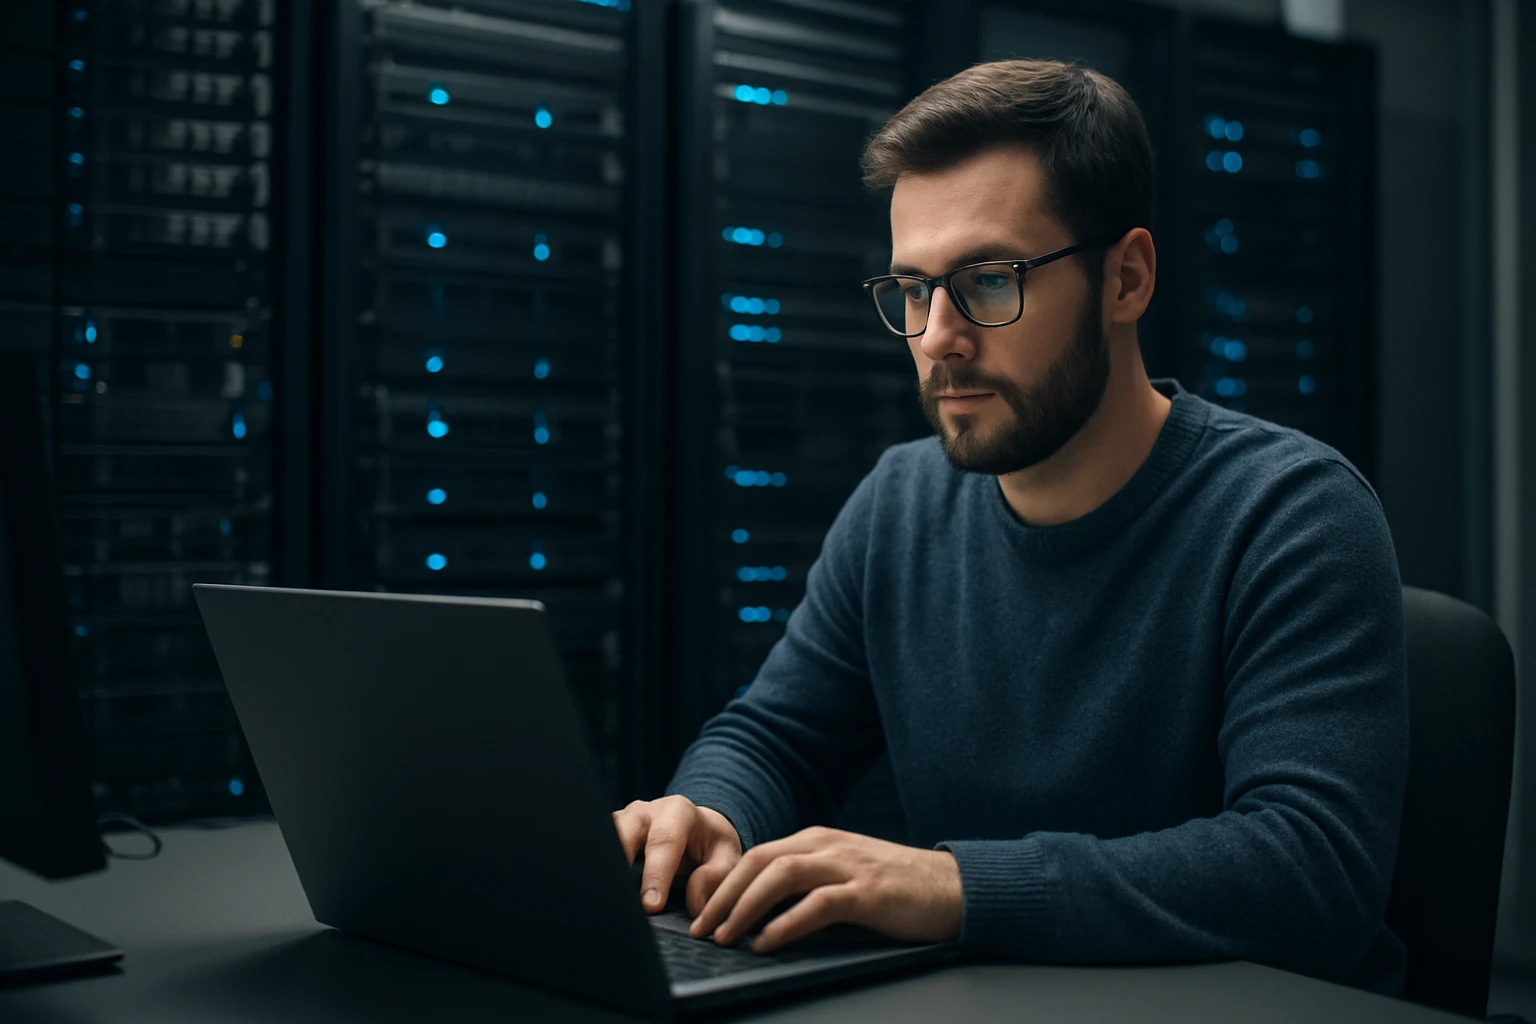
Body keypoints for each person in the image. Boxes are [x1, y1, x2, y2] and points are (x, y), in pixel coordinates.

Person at [613, 58, 1408, 994]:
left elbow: (1309, 873)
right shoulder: (897, 503)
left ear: (1128, 278)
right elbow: (775, 736)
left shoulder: (1293, 514)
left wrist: (956, 885)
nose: (940, 336)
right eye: (912, 291)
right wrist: (710, 813)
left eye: (989, 281)